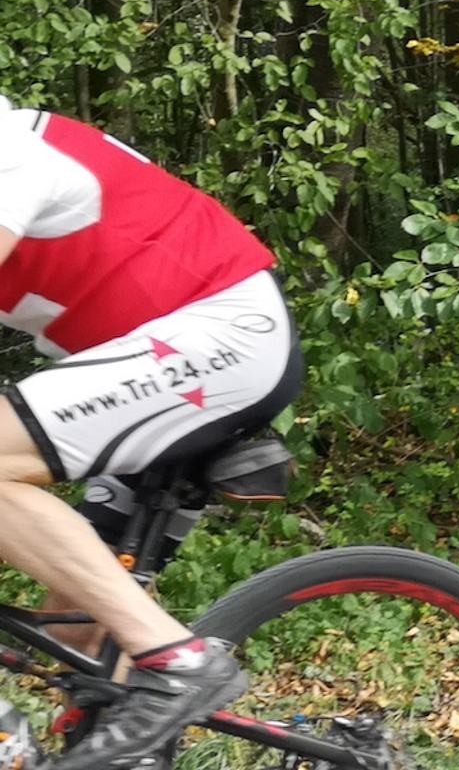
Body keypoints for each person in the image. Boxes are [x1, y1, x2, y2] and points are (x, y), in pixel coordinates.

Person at [0, 102, 303, 767]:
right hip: (158, 360)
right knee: (76, 636)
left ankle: (179, 662)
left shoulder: (8, 152)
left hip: (219, 340)